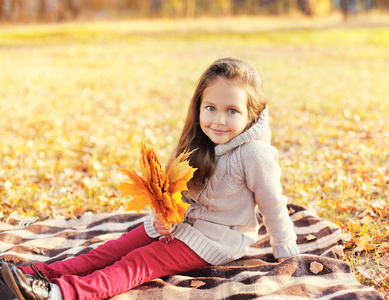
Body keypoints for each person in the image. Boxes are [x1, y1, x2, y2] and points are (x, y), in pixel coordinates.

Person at [1, 57, 300, 300]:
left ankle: (57, 293)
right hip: (179, 227)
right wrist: (161, 216)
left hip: (215, 241)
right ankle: (31, 275)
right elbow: (173, 196)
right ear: (198, 107)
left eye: (232, 111)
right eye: (211, 108)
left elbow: (272, 204)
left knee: (138, 262)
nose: (219, 119)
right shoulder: (197, 142)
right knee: (111, 250)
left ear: (251, 114)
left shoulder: (254, 155)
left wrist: (284, 248)